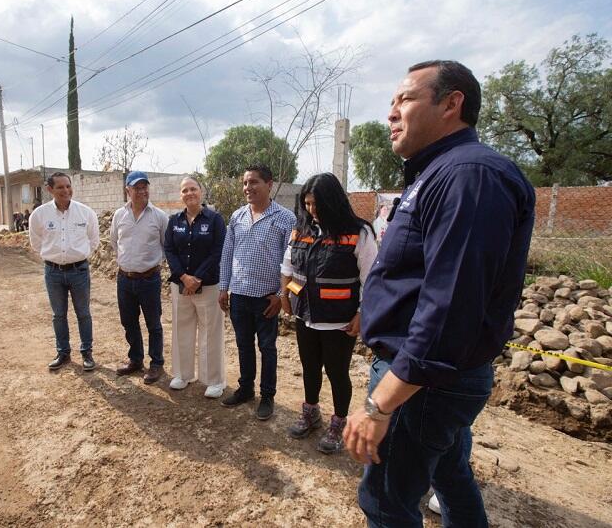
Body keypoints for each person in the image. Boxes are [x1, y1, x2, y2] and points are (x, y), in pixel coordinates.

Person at [343, 60, 535, 527]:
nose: (391, 113)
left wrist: (379, 404)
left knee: (386, 503)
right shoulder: (437, 173)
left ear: (452, 104)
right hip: (428, 377)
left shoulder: (469, 176)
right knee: (449, 473)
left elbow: (449, 308)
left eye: (405, 99)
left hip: (425, 381)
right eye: (391, 102)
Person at [280, 173, 378, 454]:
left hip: (339, 321)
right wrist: (284, 295)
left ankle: (338, 422)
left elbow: (370, 279)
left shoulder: (359, 233)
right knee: (309, 369)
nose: (312, 210)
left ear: (333, 202)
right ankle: (311, 413)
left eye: (317, 204)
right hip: (306, 316)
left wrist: (362, 314)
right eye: (307, 204)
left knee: (337, 373)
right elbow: (287, 266)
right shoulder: (301, 229)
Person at [218, 164, 296, 420]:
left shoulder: (285, 219)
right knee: (243, 345)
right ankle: (246, 389)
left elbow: (293, 262)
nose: (247, 188)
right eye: (245, 183)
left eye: (253, 182)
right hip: (239, 295)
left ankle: (268, 395)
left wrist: (281, 295)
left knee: (267, 347)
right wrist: (223, 288)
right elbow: (228, 253)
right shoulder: (237, 217)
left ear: (269, 184)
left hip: (267, 298)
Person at [29, 172, 100, 371]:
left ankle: (87, 352)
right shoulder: (40, 214)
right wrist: (54, 256)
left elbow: (93, 241)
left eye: (68, 186)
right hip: (53, 273)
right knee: (58, 315)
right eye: (60, 187)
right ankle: (63, 352)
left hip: (79, 271)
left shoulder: (85, 213)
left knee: (83, 313)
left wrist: (76, 256)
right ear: (49, 189)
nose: (66, 191)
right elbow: (36, 242)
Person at [164, 176, 227, 398]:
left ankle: (214, 380)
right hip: (181, 286)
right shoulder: (175, 221)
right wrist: (183, 276)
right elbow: (169, 250)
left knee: (211, 331)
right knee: (182, 329)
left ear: (201, 192)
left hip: (208, 285)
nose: (189, 193)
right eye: (185, 190)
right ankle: (183, 374)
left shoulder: (215, 219)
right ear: (180, 195)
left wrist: (197, 277)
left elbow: (218, 250)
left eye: (193, 189)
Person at [111, 171, 169, 385]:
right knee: (129, 322)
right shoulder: (119, 215)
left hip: (149, 279)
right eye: (137, 187)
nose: (142, 191)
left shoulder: (159, 216)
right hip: (125, 279)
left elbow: (166, 246)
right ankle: (135, 359)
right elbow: (114, 243)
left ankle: (156, 363)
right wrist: (127, 264)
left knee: (153, 323)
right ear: (128, 190)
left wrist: (151, 265)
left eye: (145, 187)